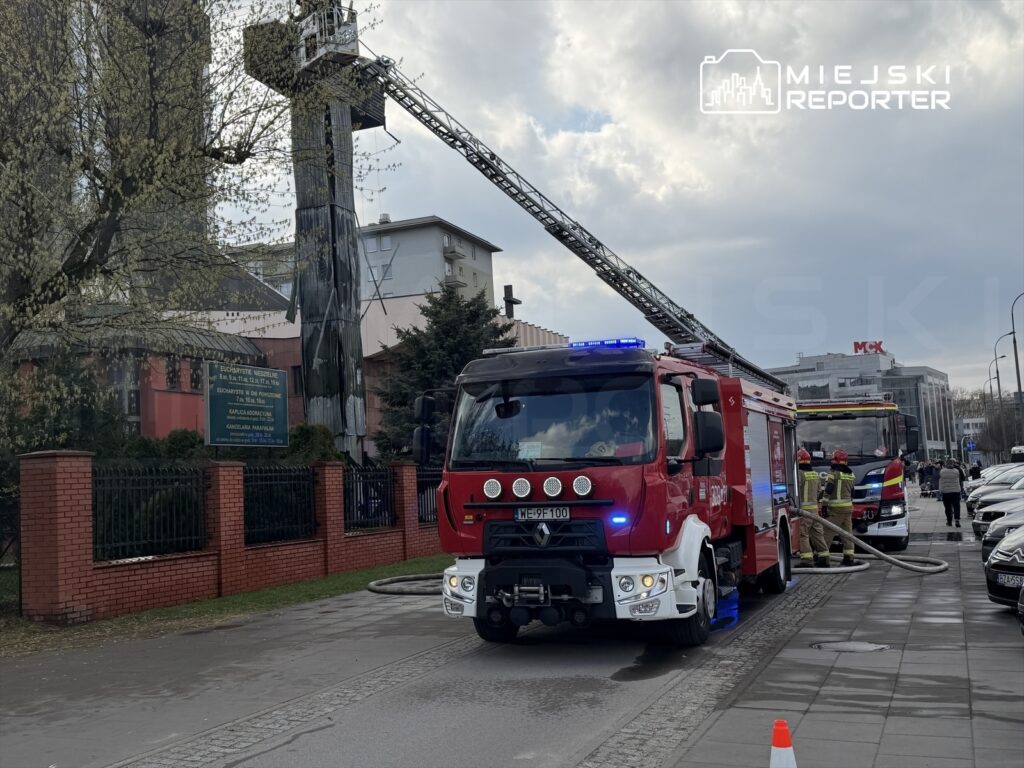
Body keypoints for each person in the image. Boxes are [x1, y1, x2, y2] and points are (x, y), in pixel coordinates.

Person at [822, 448, 859, 566]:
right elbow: (853, 492)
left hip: (836, 509)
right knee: (847, 534)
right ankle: (849, 558)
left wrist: (824, 505)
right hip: (848, 508)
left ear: (835, 460)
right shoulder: (851, 474)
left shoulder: (834, 474)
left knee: (827, 532)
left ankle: (823, 559)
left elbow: (828, 490)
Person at [794, 448, 829, 569]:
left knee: (803, 534)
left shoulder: (799, 474)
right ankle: (824, 558)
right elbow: (820, 491)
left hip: (804, 510)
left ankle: (807, 560)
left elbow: (796, 491)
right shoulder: (815, 474)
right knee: (817, 534)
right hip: (814, 510)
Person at [938, 459, 963, 527]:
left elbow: (939, 478)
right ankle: (957, 520)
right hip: (956, 491)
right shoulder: (956, 471)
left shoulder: (942, 471)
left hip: (946, 492)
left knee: (947, 507)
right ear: (953, 464)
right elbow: (961, 478)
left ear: (946, 464)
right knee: (956, 506)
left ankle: (949, 521)